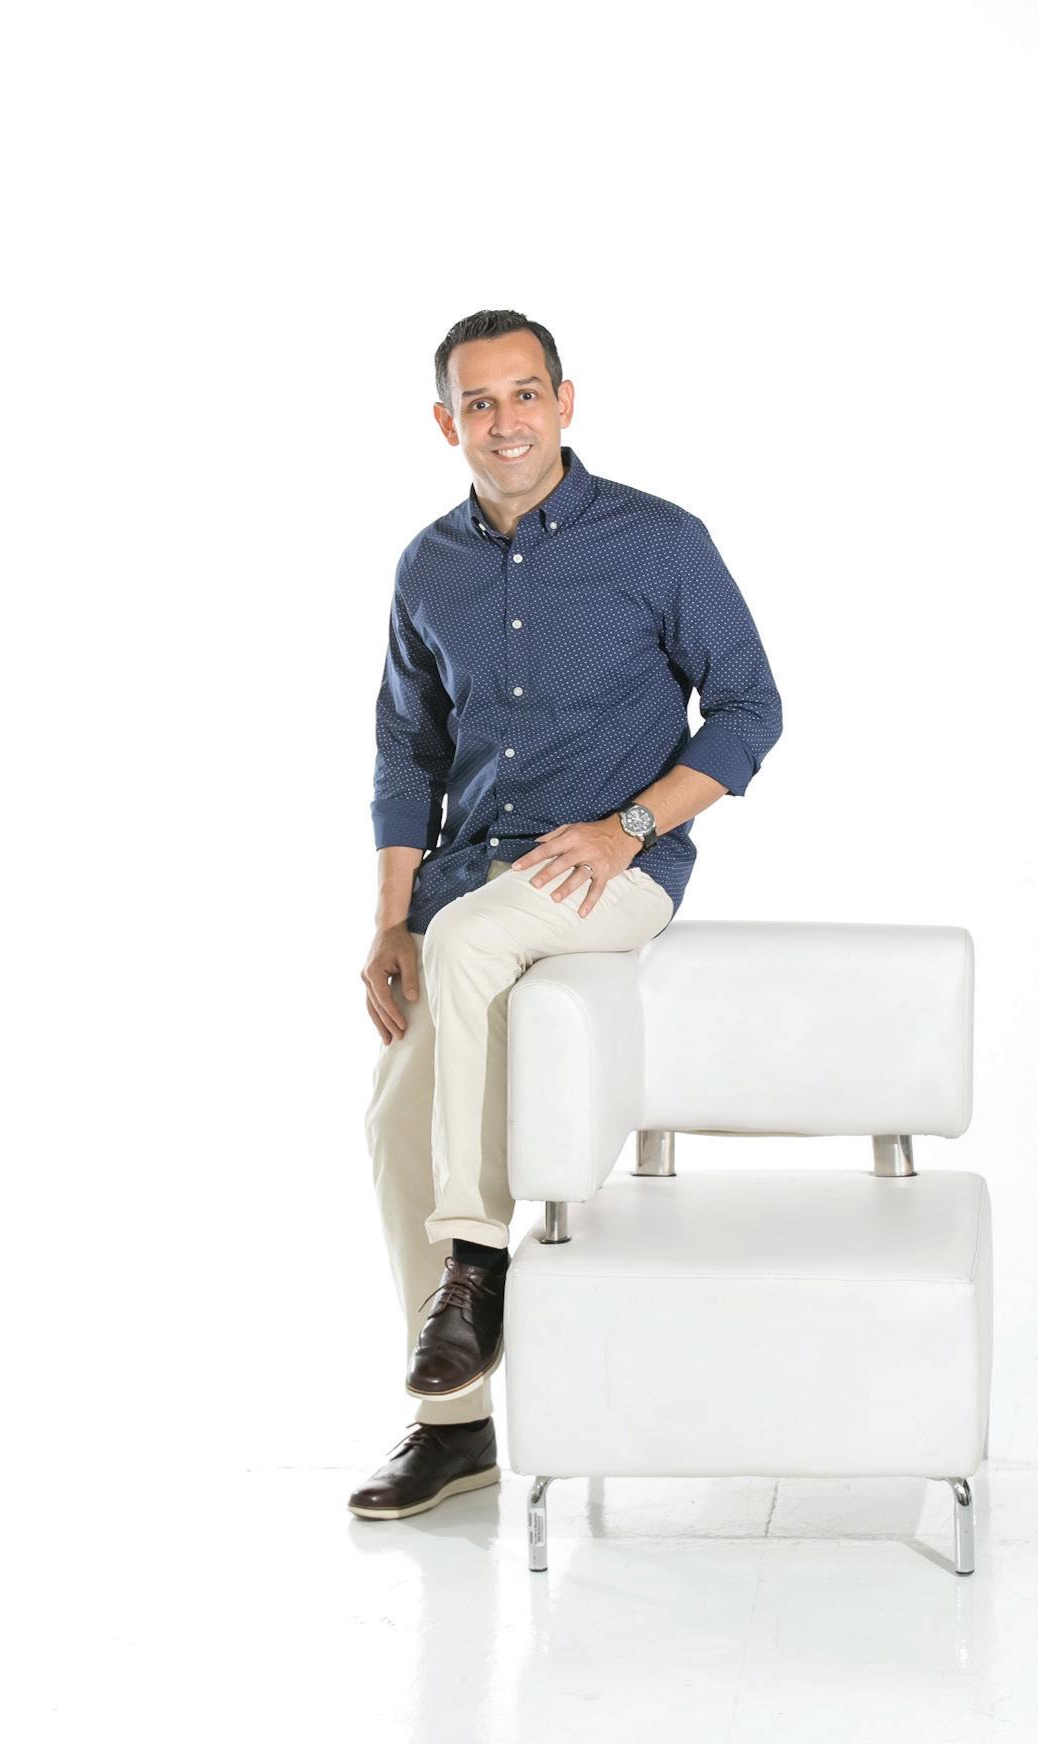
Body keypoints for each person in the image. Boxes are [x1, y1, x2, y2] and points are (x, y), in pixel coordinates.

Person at [348, 309, 784, 1520]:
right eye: (479, 403)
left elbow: (750, 708)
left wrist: (630, 824)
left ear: (566, 401)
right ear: (446, 421)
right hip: (467, 884)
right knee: (396, 1122)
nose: (506, 422)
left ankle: (474, 1265)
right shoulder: (427, 567)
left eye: (525, 394)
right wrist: (391, 919)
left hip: (612, 875)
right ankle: (454, 1431)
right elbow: (405, 748)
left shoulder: (658, 541)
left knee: (475, 936)